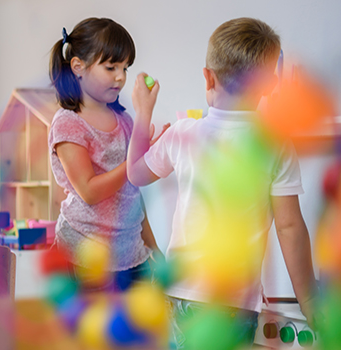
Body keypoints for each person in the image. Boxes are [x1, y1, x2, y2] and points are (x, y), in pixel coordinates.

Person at [126, 17, 318, 348]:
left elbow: (135, 174)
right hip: (236, 303)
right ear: (271, 84)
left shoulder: (183, 133)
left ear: (208, 77)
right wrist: (310, 302)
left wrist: (143, 113)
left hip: (180, 295)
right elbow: (290, 228)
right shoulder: (274, 143)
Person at [47, 17, 167, 291]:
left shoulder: (123, 120)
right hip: (84, 255)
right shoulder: (68, 122)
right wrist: (135, 162)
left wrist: (152, 245)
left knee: (134, 333)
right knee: (91, 332)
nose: (121, 77)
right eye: (111, 67)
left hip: (130, 253)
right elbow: (89, 191)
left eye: (125, 68)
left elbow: (132, 192)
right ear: (78, 67)